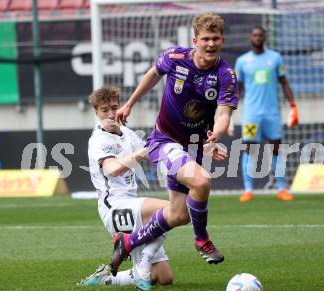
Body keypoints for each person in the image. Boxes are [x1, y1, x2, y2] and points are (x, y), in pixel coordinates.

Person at [111, 12, 237, 276]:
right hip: (164, 140)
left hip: (194, 146)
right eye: (206, 39)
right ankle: (202, 240)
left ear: (222, 39)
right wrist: (129, 103)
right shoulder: (175, 57)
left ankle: (129, 241)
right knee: (201, 182)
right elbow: (153, 74)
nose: (211, 44)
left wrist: (218, 132)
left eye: (216, 39)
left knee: (179, 214)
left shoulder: (225, 74)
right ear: (195, 40)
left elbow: (224, 112)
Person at [78, 85, 174, 291]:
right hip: (114, 208)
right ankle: (138, 253)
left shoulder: (128, 134)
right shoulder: (97, 140)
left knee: (164, 276)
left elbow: (153, 152)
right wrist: (138, 155)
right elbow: (113, 169)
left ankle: (106, 278)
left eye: (114, 107)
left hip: (132, 204)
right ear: (96, 113)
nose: (111, 114)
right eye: (104, 110)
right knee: (173, 210)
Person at [235, 26, 299, 202]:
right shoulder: (242, 61)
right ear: (250, 37)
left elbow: (284, 83)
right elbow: (236, 88)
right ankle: (248, 190)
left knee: (276, 148)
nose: (257, 37)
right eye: (254, 35)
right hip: (251, 115)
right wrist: (228, 112)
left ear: (264, 37)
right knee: (249, 148)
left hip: (272, 114)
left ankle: (281, 188)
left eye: (260, 35)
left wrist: (293, 105)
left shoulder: (275, 58)